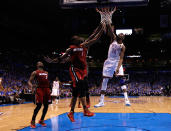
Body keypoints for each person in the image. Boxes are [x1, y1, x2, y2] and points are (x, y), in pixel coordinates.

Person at [45, 21, 105, 122]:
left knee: (76, 92)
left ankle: (71, 112)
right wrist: (52, 61)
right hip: (75, 70)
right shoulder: (72, 48)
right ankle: (85, 109)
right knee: (81, 85)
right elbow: (61, 58)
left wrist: (102, 28)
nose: (79, 37)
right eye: (77, 37)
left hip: (83, 71)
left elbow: (94, 37)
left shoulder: (84, 45)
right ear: (74, 40)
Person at [94, 7, 131, 108]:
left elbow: (121, 59)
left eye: (122, 34)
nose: (121, 34)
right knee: (105, 81)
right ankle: (101, 101)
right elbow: (110, 28)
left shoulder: (123, 47)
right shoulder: (113, 39)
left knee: (121, 81)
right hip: (108, 63)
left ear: (124, 37)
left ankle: (127, 100)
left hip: (116, 63)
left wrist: (118, 67)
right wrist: (108, 16)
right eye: (120, 33)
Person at [28, 61, 51, 128]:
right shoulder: (35, 72)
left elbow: (47, 81)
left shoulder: (46, 72)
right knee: (39, 106)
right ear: (37, 65)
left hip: (46, 90)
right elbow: (29, 81)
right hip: (40, 89)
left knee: (46, 106)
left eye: (41, 62)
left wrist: (50, 88)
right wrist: (31, 86)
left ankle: (41, 120)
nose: (41, 63)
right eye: (39, 62)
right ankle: (32, 121)